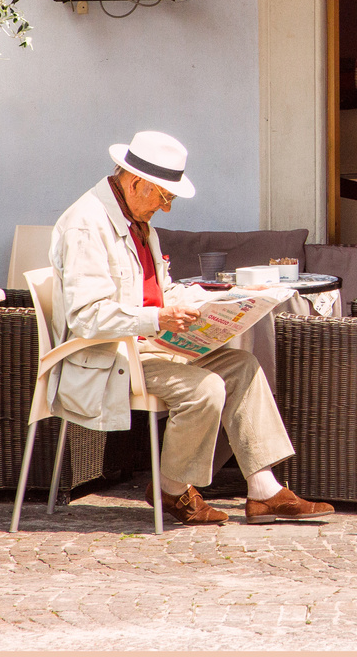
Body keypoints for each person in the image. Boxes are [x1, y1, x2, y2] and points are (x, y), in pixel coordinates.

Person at [49, 130, 332, 526]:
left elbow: (155, 292)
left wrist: (203, 304)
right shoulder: (86, 225)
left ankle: (263, 490)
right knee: (205, 388)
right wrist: (157, 319)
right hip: (108, 354)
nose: (166, 209)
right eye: (165, 197)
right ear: (135, 183)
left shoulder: (136, 218)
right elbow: (86, 317)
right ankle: (170, 489)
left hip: (146, 342)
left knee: (242, 366)